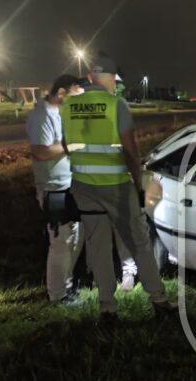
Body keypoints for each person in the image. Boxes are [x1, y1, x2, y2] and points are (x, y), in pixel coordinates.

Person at [63, 52, 174, 320]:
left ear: (90, 77)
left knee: (98, 247)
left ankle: (107, 307)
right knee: (138, 242)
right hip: (115, 185)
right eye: (114, 80)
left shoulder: (68, 105)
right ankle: (158, 300)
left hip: (83, 187)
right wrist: (138, 187)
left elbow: (67, 145)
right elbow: (131, 150)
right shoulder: (116, 105)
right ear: (110, 78)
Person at [27, 76, 138, 303]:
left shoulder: (61, 113)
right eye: (74, 96)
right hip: (54, 189)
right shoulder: (42, 116)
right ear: (60, 93)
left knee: (74, 238)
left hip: (70, 185)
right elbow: (39, 151)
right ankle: (57, 295)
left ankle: (67, 287)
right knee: (61, 242)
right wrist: (70, 145)